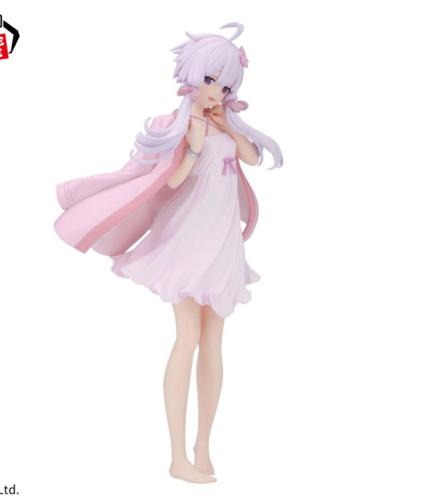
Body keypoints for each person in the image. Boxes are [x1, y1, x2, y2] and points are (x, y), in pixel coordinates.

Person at [53, 21, 283, 483]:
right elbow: (173, 181)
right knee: (188, 338)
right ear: (193, 76)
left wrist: (226, 125)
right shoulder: (176, 125)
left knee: (214, 343)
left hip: (222, 240)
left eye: (226, 84)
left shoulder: (225, 122)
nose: (217, 91)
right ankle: (177, 456)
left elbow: (253, 158)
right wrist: (194, 148)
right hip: (188, 239)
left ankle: (203, 446)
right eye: (211, 80)